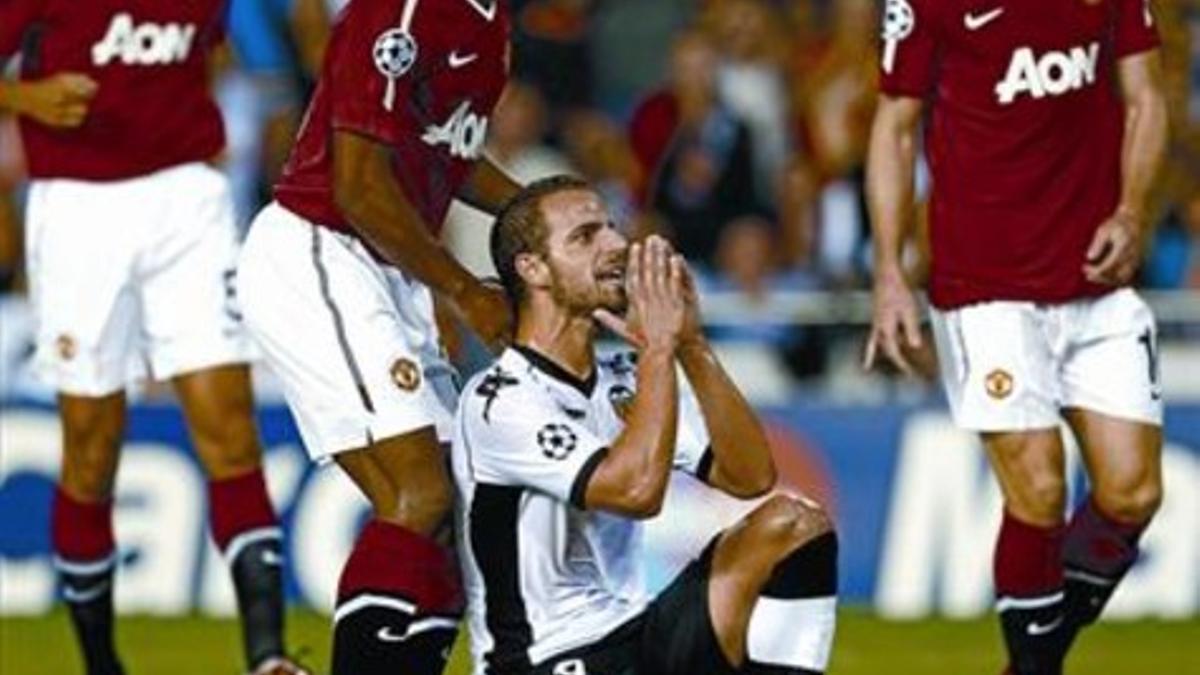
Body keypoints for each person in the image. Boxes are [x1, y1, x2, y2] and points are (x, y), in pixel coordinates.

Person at [864, 1, 1168, 673]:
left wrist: (1131, 209)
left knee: (1133, 493)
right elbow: (894, 126)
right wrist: (888, 269)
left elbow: (1146, 96)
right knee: (1037, 488)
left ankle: (1029, 664)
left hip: (1097, 276)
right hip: (985, 286)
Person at [0, 2, 304, 674]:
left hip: (188, 199)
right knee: (91, 442)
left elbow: (214, 52)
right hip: (78, 204)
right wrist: (25, 96)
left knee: (230, 425)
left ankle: (269, 656)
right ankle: (101, 661)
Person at [453, 175, 839, 674]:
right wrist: (657, 349)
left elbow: (750, 477)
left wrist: (692, 346)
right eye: (585, 237)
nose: (616, 245)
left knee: (796, 525)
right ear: (533, 268)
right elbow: (636, 492)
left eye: (611, 228)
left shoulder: (624, 379)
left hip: (634, 636)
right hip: (546, 660)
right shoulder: (500, 400)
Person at [235, 0, 520, 672]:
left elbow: (447, 156)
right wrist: (464, 289)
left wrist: (539, 207)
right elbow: (358, 187)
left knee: (459, 504)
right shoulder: (402, 9)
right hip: (322, 247)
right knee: (419, 491)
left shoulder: (490, 21)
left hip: (389, 268)